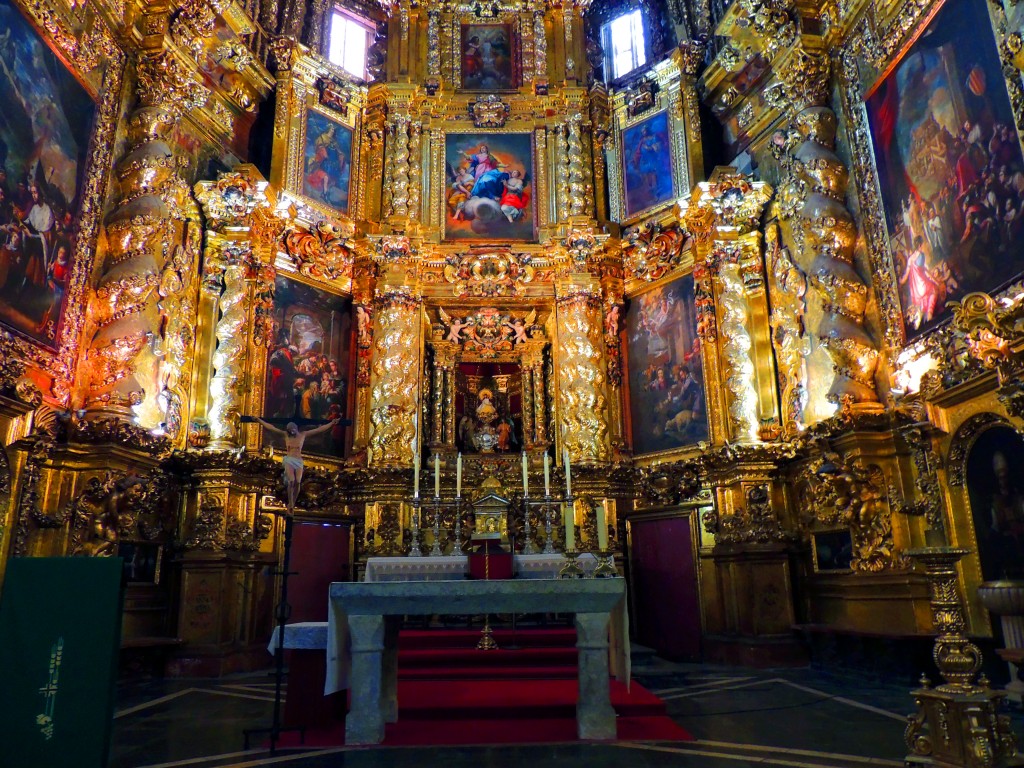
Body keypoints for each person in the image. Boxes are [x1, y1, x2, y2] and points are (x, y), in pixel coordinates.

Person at [257, 418, 340, 511]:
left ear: (296, 428)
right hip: (289, 460)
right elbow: (272, 428)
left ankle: (293, 501)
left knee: (298, 482)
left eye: (293, 429)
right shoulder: (286, 435)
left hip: (298, 460)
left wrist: (331, 423)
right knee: (291, 481)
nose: (292, 431)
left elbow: (319, 430)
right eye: (290, 430)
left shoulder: (303, 435)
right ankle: (291, 503)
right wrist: (259, 421)